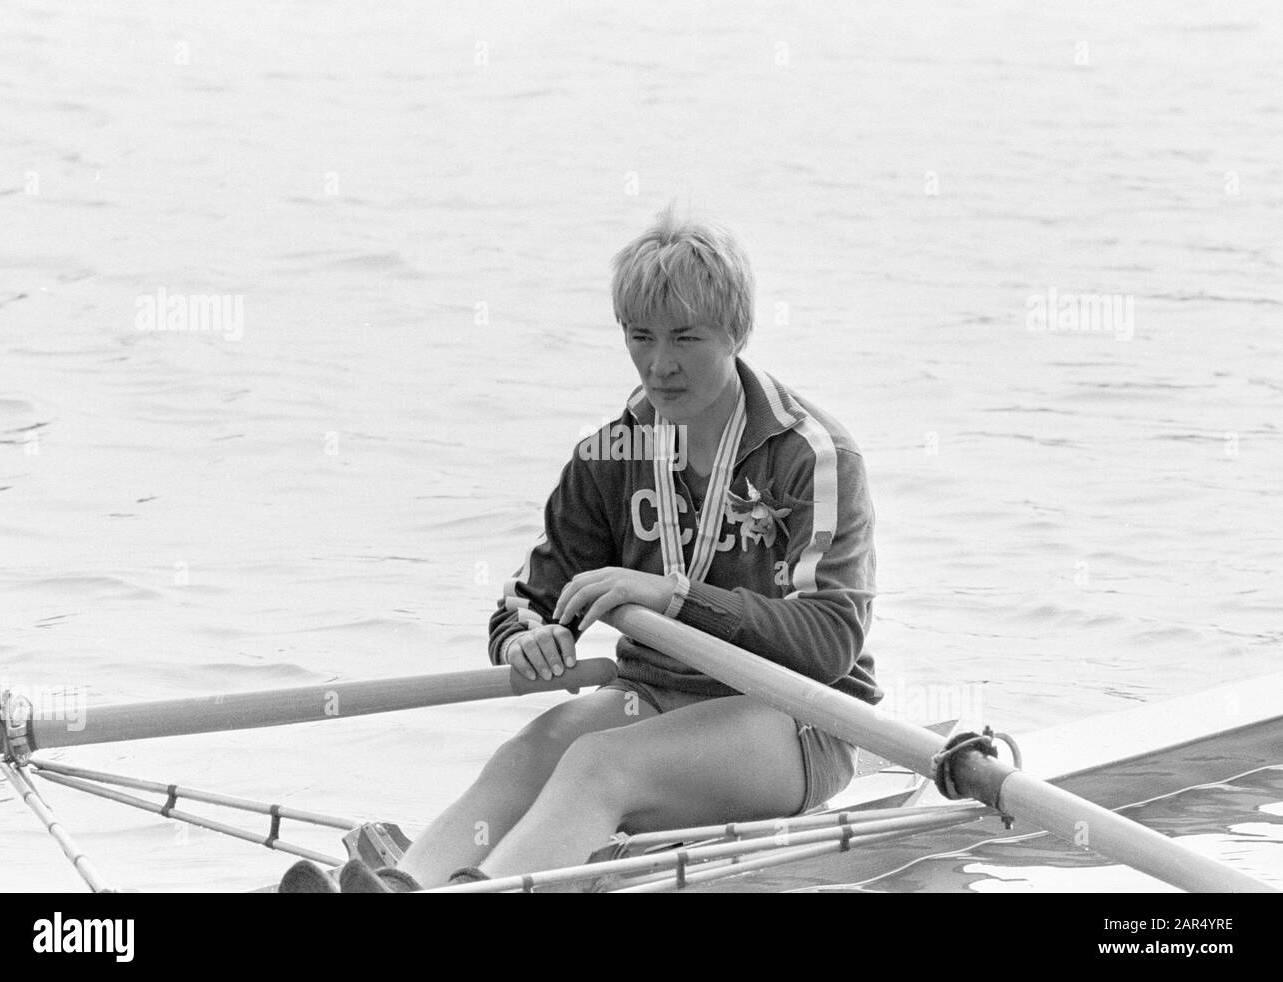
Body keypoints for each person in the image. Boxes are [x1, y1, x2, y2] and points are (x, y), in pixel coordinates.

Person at [279, 206, 880, 893]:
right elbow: (526, 602)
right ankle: (400, 884)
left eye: (685, 338)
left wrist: (674, 597)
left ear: (735, 333)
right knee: (529, 751)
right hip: (656, 698)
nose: (660, 364)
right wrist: (527, 639)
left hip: (796, 717)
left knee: (599, 767)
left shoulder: (811, 455)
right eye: (640, 336)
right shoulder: (611, 455)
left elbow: (832, 638)